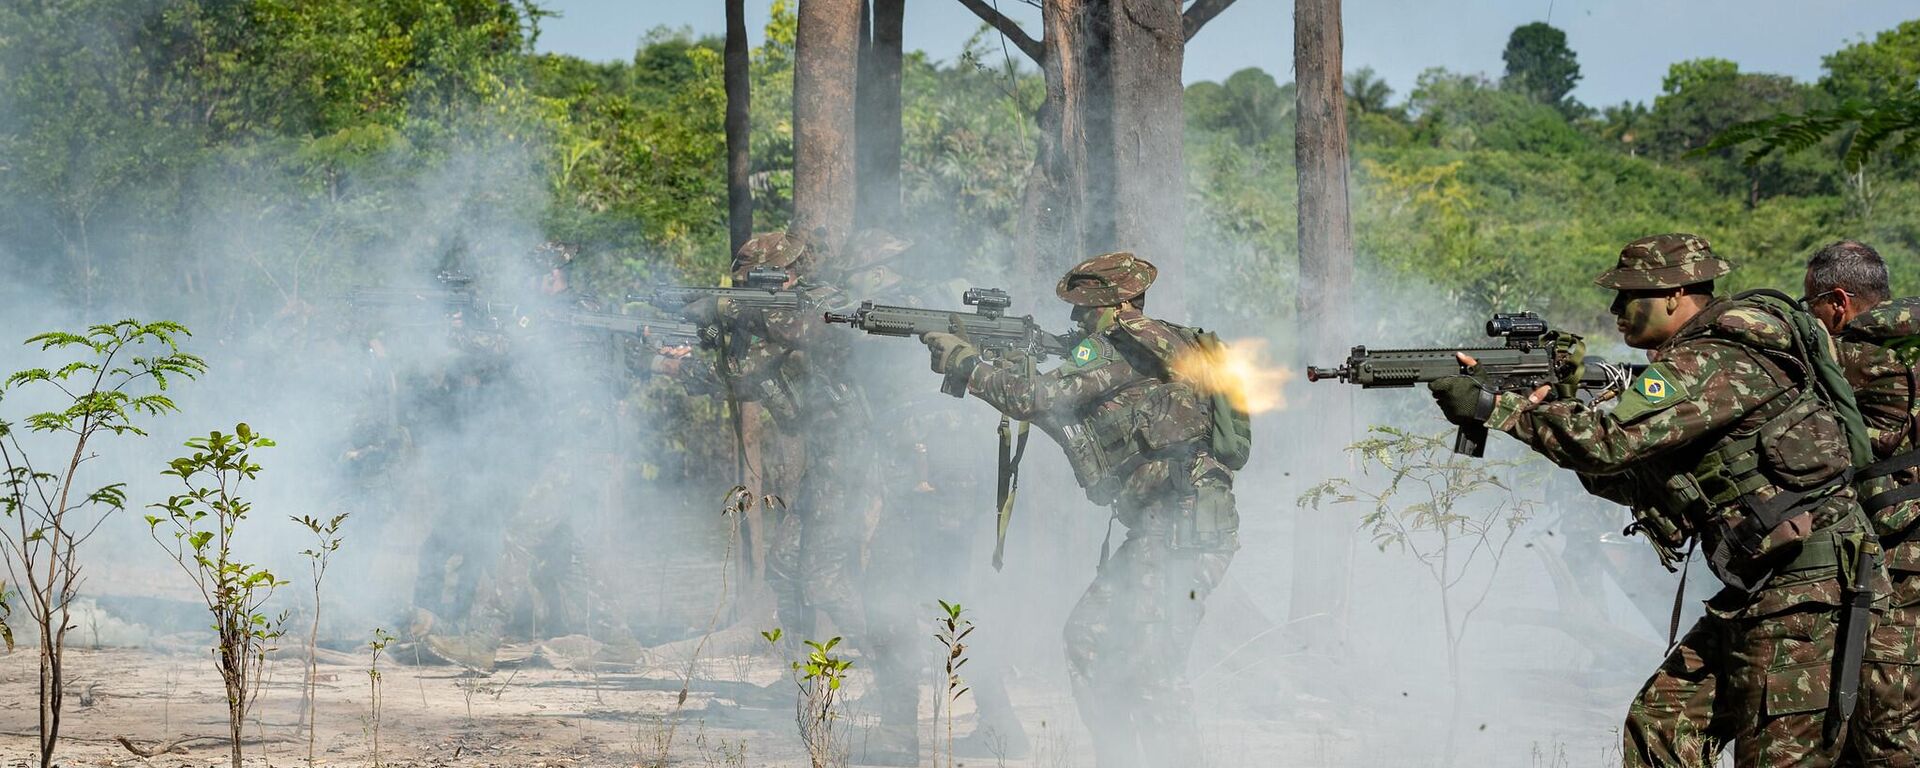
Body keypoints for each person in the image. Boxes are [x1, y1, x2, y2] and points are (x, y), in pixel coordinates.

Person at [1427, 234, 1888, 766]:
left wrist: (1493, 406)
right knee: (1660, 727)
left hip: (1807, 596)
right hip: (1770, 587)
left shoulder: (1710, 358)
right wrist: (1554, 405)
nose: (1616, 310)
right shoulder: (1703, 357)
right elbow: (1630, 477)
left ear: (1675, 294)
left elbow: (1606, 444)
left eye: (1629, 296)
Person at [919, 252, 1239, 768]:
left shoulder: (1129, 349)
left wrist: (966, 363)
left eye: (1086, 312)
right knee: (1089, 641)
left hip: (1181, 524)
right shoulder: (1163, 340)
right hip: (1163, 525)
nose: (1077, 322)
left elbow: (1037, 397)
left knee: (1153, 669)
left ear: (1117, 306)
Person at [651, 229, 875, 668]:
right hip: (829, 462)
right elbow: (741, 374)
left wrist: (715, 319)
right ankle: (805, 681)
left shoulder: (821, 306)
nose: (745, 292)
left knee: (823, 579)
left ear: (784, 274)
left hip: (855, 460)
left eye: (756, 280)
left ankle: (891, 673)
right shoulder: (773, 317)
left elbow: (754, 362)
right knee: (785, 565)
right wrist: (693, 346)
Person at [1800, 239, 1920, 763]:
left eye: (1812, 306)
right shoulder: (1909, 346)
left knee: (1883, 720)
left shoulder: (1849, 355)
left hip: (1899, 562)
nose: (1813, 319)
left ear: (1840, 301)